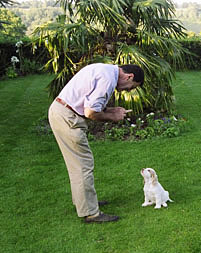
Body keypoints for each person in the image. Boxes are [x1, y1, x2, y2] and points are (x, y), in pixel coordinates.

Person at [48, 63, 144, 223]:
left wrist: (111, 110)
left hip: (62, 112)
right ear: (129, 77)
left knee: (77, 165)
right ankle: (91, 213)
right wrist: (113, 117)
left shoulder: (104, 69)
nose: (127, 90)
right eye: (130, 87)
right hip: (67, 118)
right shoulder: (108, 79)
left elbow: (89, 102)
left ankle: (85, 202)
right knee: (83, 165)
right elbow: (91, 112)